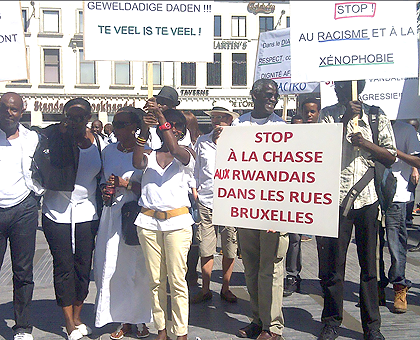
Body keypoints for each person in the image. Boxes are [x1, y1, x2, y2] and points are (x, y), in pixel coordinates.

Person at [317, 80, 396, 340]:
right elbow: (321, 149)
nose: (343, 89)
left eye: (348, 85)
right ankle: (331, 321)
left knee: (370, 266)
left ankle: (372, 326)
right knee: (333, 266)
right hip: (336, 199)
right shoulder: (327, 114)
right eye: (339, 86)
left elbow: (390, 156)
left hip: (368, 199)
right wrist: (345, 120)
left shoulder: (376, 115)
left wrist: (366, 144)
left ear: (359, 87)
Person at [228, 79, 288, 340]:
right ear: (253, 95)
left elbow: (289, 171)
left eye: (274, 95)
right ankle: (257, 318)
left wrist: (281, 211)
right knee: (251, 268)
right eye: (266, 94)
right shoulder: (238, 125)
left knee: (271, 269)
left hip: (274, 209)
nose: (272, 99)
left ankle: (272, 327)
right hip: (246, 207)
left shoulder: (281, 127)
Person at [133, 101, 196, 340]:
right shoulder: (149, 154)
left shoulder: (187, 154)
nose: (176, 130)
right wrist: (143, 128)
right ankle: (161, 329)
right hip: (148, 223)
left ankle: (180, 332)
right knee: (156, 281)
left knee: (177, 280)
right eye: (172, 125)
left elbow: (173, 145)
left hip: (178, 225)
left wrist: (162, 118)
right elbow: (136, 162)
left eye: (179, 126)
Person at [40, 98, 102, 340]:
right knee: (64, 266)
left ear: (89, 117)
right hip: (57, 212)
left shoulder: (98, 140)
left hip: (87, 213)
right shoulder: (53, 137)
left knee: (83, 266)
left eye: (81, 116)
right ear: (64, 115)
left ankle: (78, 315)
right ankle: (68, 322)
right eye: (71, 116)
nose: (76, 120)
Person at [93, 107, 152, 339]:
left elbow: (150, 189)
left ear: (134, 128)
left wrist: (124, 184)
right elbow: (103, 182)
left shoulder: (145, 154)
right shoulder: (108, 151)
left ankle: (141, 320)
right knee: (111, 268)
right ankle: (121, 319)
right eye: (114, 124)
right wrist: (106, 191)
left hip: (135, 216)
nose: (115, 129)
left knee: (138, 270)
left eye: (120, 124)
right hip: (111, 216)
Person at [0, 92, 43, 340]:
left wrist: (37, 193)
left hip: (23, 210)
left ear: (21, 111)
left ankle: (23, 327)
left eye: (14, 109)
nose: (9, 113)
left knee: (23, 272)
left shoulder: (32, 138)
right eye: (5, 108)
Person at [190, 102, 239, 304]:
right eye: (214, 117)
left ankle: (226, 287)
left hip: (231, 199)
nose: (217, 122)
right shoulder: (202, 141)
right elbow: (196, 168)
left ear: (230, 120)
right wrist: (194, 189)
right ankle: (206, 288)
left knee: (229, 246)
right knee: (206, 246)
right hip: (207, 198)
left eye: (221, 117)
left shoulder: (239, 141)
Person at [379, 120, 420, 314]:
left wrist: (395, 152)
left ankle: (399, 287)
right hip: (372, 194)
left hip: (399, 195)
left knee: (395, 244)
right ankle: (377, 285)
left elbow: (418, 161)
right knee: (373, 245)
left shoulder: (406, 129)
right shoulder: (369, 123)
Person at [283, 114, 304, 298]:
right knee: (292, 238)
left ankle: (294, 274)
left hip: (305, 198)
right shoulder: (285, 145)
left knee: (296, 239)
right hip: (288, 198)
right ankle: (291, 275)